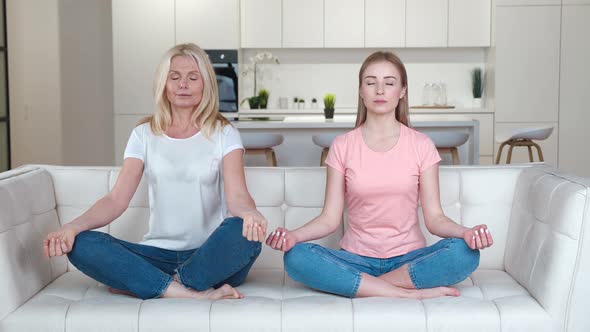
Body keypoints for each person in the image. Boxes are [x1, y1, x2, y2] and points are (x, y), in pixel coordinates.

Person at [43, 43, 267, 300]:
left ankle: (151, 283)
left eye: (193, 78)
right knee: (82, 244)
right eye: (174, 77)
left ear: (205, 84)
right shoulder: (143, 134)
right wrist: (71, 227)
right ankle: (187, 292)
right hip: (156, 255)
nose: (183, 84)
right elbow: (116, 200)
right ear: (164, 84)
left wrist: (250, 214)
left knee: (243, 233)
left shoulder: (224, 133)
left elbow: (238, 196)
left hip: (209, 256)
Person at [266, 51, 493, 299]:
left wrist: (466, 233)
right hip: (356, 259)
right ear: (361, 91)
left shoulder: (421, 145)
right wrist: (293, 236)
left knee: (465, 252)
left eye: (389, 83)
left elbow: (435, 218)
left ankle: (366, 286)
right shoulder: (342, 146)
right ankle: (404, 293)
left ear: (402, 91)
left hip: (409, 260)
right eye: (371, 82)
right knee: (296, 258)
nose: (380, 90)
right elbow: (330, 219)